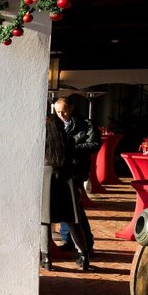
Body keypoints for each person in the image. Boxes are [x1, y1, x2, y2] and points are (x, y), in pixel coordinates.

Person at [53, 97, 98, 264]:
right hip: (62, 169)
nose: (61, 114)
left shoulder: (85, 124)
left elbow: (94, 144)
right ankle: (68, 240)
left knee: (75, 208)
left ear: (72, 107)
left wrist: (72, 149)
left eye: (64, 111)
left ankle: (87, 243)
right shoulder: (57, 124)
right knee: (65, 205)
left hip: (77, 169)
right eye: (58, 112)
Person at [44, 115, 92, 270]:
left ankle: (46, 258)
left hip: (47, 181)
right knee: (73, 220)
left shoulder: (42, 143)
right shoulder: (69, 141)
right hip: (67, 182)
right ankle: (84, 256)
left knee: (44, 221)